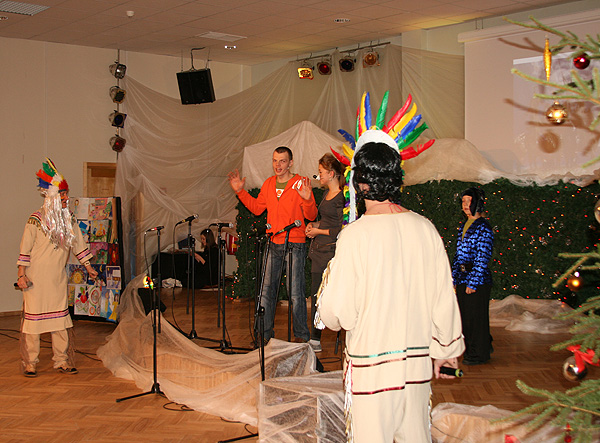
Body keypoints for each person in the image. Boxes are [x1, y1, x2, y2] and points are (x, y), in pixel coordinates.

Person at [317, 115, 464, 440]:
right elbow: (443, 297)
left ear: (359, 183)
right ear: (397, 178)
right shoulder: (425, 228)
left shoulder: (355, 236)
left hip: (370, 370)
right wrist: (446, 351)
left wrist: (329, 308)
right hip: (415, 366)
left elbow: (337, 313)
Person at [16, 158, 98, 377]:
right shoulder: (35, 220)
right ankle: (30, 363)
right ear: (52, 195)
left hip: (57, 280)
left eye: (66, 194)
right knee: (33, 325)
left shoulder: (69, 220)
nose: (66, 198)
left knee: (60, 323)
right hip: (35, 281)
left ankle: (61, 361)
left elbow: (78, 244)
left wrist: (88, 266)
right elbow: (24, 250)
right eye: (62, 194)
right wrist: (21, 275)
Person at [228, 146, 317, 344]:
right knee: (266, 291)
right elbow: (257, 209)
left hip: (294, 244)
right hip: (273, 242)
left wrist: (308, 199)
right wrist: (240, 191)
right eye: (275, 160)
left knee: (296, 293)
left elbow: (311, 216)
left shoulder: (300, 183)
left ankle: (301, 336)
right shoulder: (269, 184)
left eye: (282, 161)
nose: (278, 165)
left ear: (290, 163)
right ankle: (263, 334)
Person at [305, 153, 345, 352]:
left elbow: (340, 228)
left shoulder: (342, 198)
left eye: (321, 172)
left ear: (331, 173)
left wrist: (318, 231)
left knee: (330, 295)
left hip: (331, 251)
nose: (319, 175)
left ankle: (328, 335)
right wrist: (314, 225)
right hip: (318, 251)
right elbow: (327, 222)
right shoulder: (325, 195)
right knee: (315, 295)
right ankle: (315, 338)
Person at [452, 187, 494, 365]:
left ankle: (478, 354)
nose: (465, 205)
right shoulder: (464, 225)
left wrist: (473, 282)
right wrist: (454, 278)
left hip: (477, 281)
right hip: (463, 278)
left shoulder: (483, 227)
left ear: (478, 203)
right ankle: (482, 346)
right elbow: (458, 255)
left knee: (475, 319)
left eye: (469, 201)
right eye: (463, 201)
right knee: (466, 318)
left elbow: (482, 257)